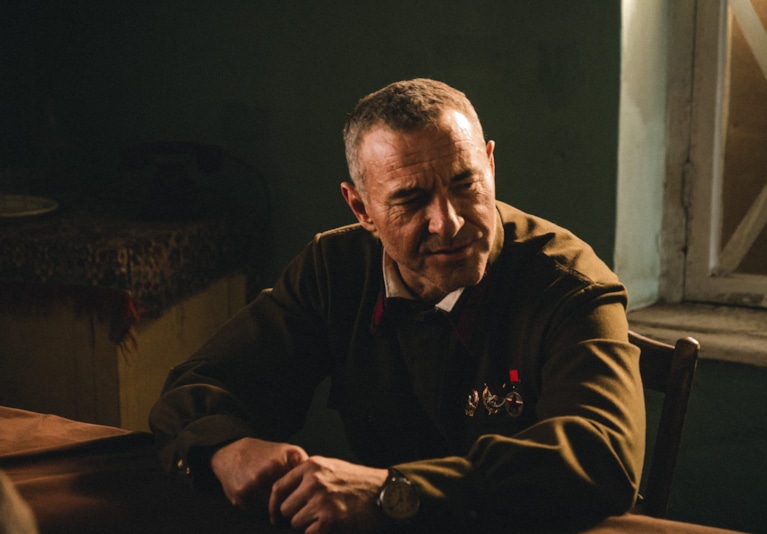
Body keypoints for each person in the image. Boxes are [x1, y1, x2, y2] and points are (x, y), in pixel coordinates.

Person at [149, 78, 645, 533]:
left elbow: (602, 457)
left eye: (465, 183)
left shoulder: (570, 284)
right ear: (361, 208)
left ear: (490, 165)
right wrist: (226, 449)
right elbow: (197, 387)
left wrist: (394, 492)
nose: (448, 223)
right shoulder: (334, 270)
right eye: (410, 199)